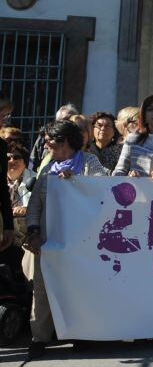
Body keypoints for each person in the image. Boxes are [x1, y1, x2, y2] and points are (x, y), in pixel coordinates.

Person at [24, 120, 110, 359]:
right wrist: (33, 231)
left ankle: (81, 335)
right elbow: (34, 206)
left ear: (66, 141)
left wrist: (77, 181)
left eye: (51, 141)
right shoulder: (47, 169)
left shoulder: (89, 162)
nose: (47, 145)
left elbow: (102, 187)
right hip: (47, 240)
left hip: (81, 242)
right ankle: (39, 338)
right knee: (42, 291)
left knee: (79, 289)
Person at [6, 141, 34, 276]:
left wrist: (26, 209)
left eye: (17, 157)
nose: (12, 161)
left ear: (25, 161)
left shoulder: (35, 179)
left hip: (27, 235)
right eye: (8, 158)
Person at [30, 102, 78, 171]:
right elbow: (33, 161)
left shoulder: (79, 139)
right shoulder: (44, 137)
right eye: (66, 119)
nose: (70, 122)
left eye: (72, 119)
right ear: (57, 121)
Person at [0, 94, 16, 257]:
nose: (5, 120)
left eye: (6, 115)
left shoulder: (1, 146)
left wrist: (8, 226)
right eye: (2, 115)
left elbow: (2, 187)